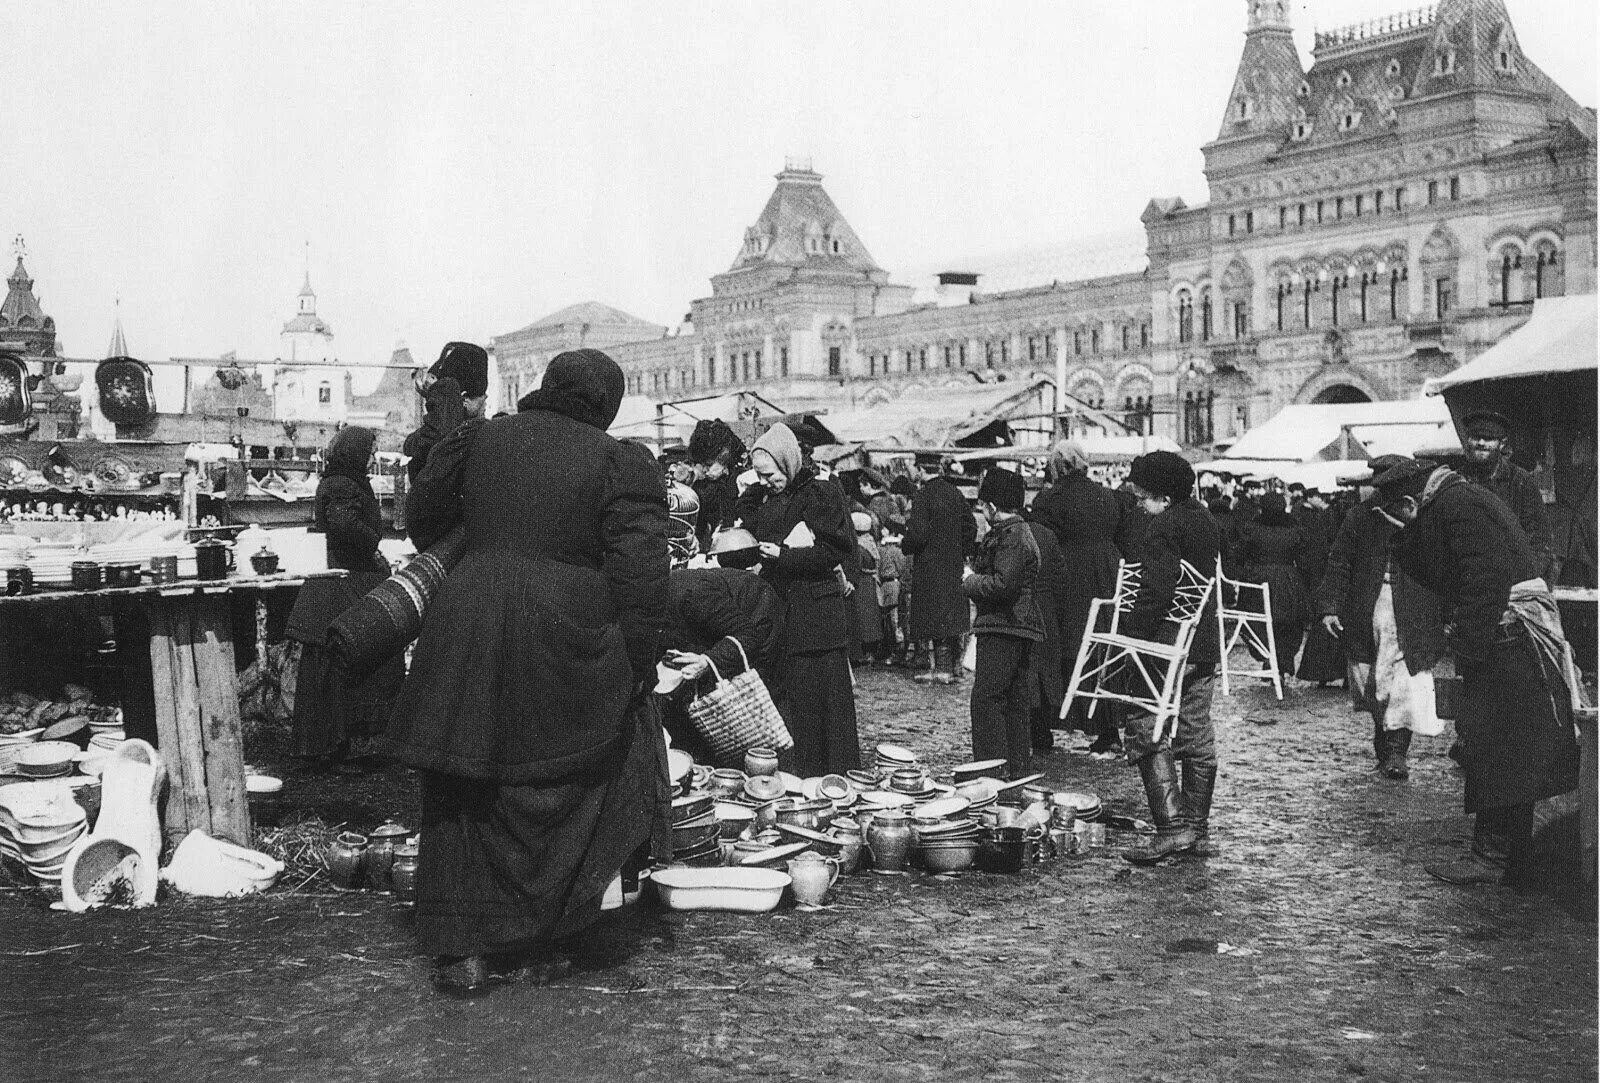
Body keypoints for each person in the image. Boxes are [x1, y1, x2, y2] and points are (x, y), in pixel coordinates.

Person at [382, 348, 672, 997]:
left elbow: (423, 516)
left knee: (464, 784)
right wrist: (638, 661)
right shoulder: (619, 460)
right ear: (607, 404)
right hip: (559, 632)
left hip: (467, 616)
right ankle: (537, 939)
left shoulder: (482, 436)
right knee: (562, 781)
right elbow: (642, 575)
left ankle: (461, 949)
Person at [1373, 457, 1578, 889]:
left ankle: (1493, 857)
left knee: (1495, 749)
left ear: (1411, 503)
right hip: (1507, 638)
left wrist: (1468, 650)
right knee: (1507, 752)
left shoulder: (1456, 507)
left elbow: (1484, 579)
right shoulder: (1460, 498)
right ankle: (1508, 855)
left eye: (1399, 516)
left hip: (1506, 640)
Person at [735, 422, 861, 775]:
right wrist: (752, 487)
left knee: (826, 703)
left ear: (788, 463)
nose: (765, 481)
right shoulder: (772, 497)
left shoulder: (821, 493)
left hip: (817, 615)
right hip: (786, 612)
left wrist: (784, 557)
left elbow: (834, 551)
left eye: (770, 474)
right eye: (759, 475)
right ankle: (802, 775)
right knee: (797, 702)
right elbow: (749, 521)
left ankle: (833, 778)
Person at [1116, 451, 1223, 865]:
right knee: (1196, 728)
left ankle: (1171, 828)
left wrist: (1131, 635)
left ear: (1162, 495)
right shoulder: (1204, 519)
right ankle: (1196, 828)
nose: (1140, 505)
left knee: (1145, 719)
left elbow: (1157, 591)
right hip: (1203, 641)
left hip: (1167, 642)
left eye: (1143, 497)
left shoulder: (1163, 526)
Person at [1316, 457, 1446, 779]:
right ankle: (1382, 738)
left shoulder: (1421, 516)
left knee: (1405, 680)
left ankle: (1396, 752)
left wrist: (1446, 612)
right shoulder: (1360, 517)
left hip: (1411, 605)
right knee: (1370, 680)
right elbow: (1340, 562)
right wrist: (1330, 606)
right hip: (1366, 605)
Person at [285, 426, 403, 770]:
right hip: (340, 583)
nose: (372, 458)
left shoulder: (345, 480)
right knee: (338, 663)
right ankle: (332, 749)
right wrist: (374, 544)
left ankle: (340, 745)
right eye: (369, 452)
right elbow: (343, 526)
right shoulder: (341, 485)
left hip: (349, 578)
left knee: (343, 664)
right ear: (354, 453)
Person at [1027, 439, 1127, 752]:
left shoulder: (1050, 499)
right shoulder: (1108, 496)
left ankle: (1048, 723)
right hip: (1106, 571)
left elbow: (1040, 539)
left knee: (1061, 644)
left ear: (1056, 466)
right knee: (1102, 645)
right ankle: (1107, 727)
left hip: (1069, 573)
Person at [657, 528, 785, 766]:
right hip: (729, 630)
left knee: (748, 724)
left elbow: (748, 635)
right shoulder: (657, 599)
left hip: (759, 621)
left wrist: (707, 661)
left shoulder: (689, 594)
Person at [963, 468, 1044, 777]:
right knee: (1014, 702)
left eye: (983, 507)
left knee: (987, 699)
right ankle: (1016, 769)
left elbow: (1002, 585)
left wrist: (970, 581)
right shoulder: (1019, 532)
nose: (982, 513)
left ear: (992, 507)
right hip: (1018, 625)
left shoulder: (1011, 536)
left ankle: (991, 771)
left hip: (1003, 625)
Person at [903, 453, 977, 684]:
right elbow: (971, 526)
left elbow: (919, 534)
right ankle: (953, 667)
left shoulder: (923, 496)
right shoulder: (955, 493)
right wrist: (959, 549)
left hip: (929, 566)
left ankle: (941, 669)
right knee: (951, 613)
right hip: (952, 564)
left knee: (933, 615)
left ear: (922, 469)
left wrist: (905, 544)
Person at [1458, 410, 1554, 579]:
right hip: (1470, 578)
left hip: (1514, 577)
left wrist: (1523, 579)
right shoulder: (1458, 481)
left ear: (1502, 444)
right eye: (1475, 437)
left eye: (1488, 438)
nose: (1481, 443)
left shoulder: (1521, 482)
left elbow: (1539, 539)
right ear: (1468, 441)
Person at [1235, 491, 1310, 679]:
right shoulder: (1294, 529)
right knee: (1288, 622)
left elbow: (1239, 555)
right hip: (1288, 580)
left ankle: (1268, 657)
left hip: (1258, 579)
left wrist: (1244, 573)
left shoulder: (1252, 528)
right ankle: (1284, 661)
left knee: (1259, 621)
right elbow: (1304, 557)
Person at [403, 342, 488, 483]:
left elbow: (436, 432)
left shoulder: (436, 437)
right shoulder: (479, 436)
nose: (485, 403)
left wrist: (439, 395)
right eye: (481, 398)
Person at [1025, 507, 1071, 754]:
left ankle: (1028, 733)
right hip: (1047, 608)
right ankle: (1043, 732)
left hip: (1024, 607)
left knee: (1027, 671)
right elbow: (1061, 578)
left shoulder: (1016, 532)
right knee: (1046, 674)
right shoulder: (1049, 536)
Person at [1294, 488, 1345, 685]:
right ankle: (1343, 674)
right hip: (1338, 579)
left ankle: (1322, 674)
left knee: (1323, 627)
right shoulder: (1337, 518)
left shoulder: (1321, 520)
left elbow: (1313, 554)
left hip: (1322, 578)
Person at [687, 419, 747, 553]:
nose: (704, 470)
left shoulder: (743, 481)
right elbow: (700, 522)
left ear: (724, 456)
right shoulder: (704, 486)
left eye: (708, 464)